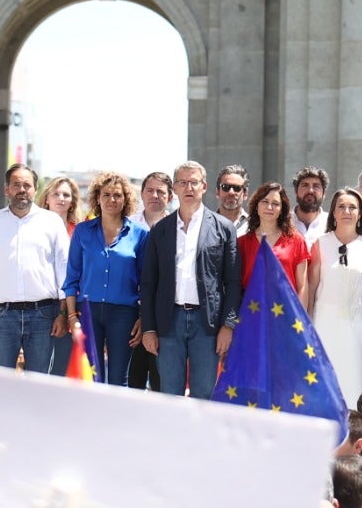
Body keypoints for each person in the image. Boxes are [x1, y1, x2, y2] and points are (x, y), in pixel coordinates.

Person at [139, 161, 241, 399]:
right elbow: (148, 283)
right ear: (174, 187)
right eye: (183, 183)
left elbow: (233, 282)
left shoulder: (224, 228)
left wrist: (228, 325)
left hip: (207, 324)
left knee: (203, 394)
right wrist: (149, 328)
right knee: (169, 393)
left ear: (204, 186)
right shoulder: (161, 230)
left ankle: (200, 437)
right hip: (168, 322)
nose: (189, 188)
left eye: (194, 182)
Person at [0, 164, 70, 375]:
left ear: (35, 190)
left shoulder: (52, 223)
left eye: (27, 185)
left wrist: (63, 314)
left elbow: (64, 272)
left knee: (39, 383)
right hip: (2, 316)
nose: (22, 189)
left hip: (44, 316)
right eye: (16, 185)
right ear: (7, 189)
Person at [63, 171, 146, 386]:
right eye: (106, 194)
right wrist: (72, 316)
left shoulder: (140, 234)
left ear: (125, 199)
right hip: (87, 312)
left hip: (123, 314)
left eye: (117, 195)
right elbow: (72, 277)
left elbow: (146, 282)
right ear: (97, 198)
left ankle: (117, 419)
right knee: (90, 375)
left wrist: (142, 317)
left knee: (119, 377)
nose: (112, 200)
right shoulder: (82, 231)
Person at [307, 188, 362, 404]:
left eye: (353, 207)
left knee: (357, 390)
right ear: (333, 212)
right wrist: (308, 327)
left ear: (360, 213)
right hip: (324, 328)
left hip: (360, 332)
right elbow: (311, 289)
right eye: (341, 206)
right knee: (326, 389)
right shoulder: (320, 244)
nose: (347, 211)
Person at [128, 171, 173, 389]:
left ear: (170, 197)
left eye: (161, 192)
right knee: (132, 381)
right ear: (142, 194)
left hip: (165, 318)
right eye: (150, 190)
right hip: (129, 316)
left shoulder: (179, 228)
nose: (155, 195)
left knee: (161, 383)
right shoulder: (126, 227)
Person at [238, 181, 310, 296]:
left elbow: (303, 287)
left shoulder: (297, 241)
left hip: (286, 311)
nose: (269, 207)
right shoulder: (242, 243)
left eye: (275, 203)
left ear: (282, 209)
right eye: (265, 201)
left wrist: (299, 314)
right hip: (252, 310)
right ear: (257, 206)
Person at [292, 166, 330, 245]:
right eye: (305, 185)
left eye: (316, 186)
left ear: (324, 194)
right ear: (296, 191)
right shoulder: (283, 222)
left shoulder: (332, 223)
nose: (310, 190)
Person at [213, 165, 250, 235]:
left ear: (245, 194)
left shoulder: (254, 226)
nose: (231, 192)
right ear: (217, 192)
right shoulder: (205, 225)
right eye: (225, 187)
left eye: (237, 188)